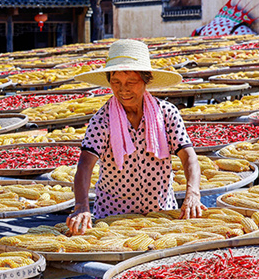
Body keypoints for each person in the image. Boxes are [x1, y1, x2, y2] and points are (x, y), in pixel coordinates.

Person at [66, 39, 204, 236]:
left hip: (161, 213)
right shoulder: (102, 120)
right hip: (114, 218)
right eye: (116, 82)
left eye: (131, 82)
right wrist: (81, 205)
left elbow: (188, 156)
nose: (123, 90)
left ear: (145, 81)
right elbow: (85, 165)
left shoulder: (166, 113)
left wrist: (193, 193)